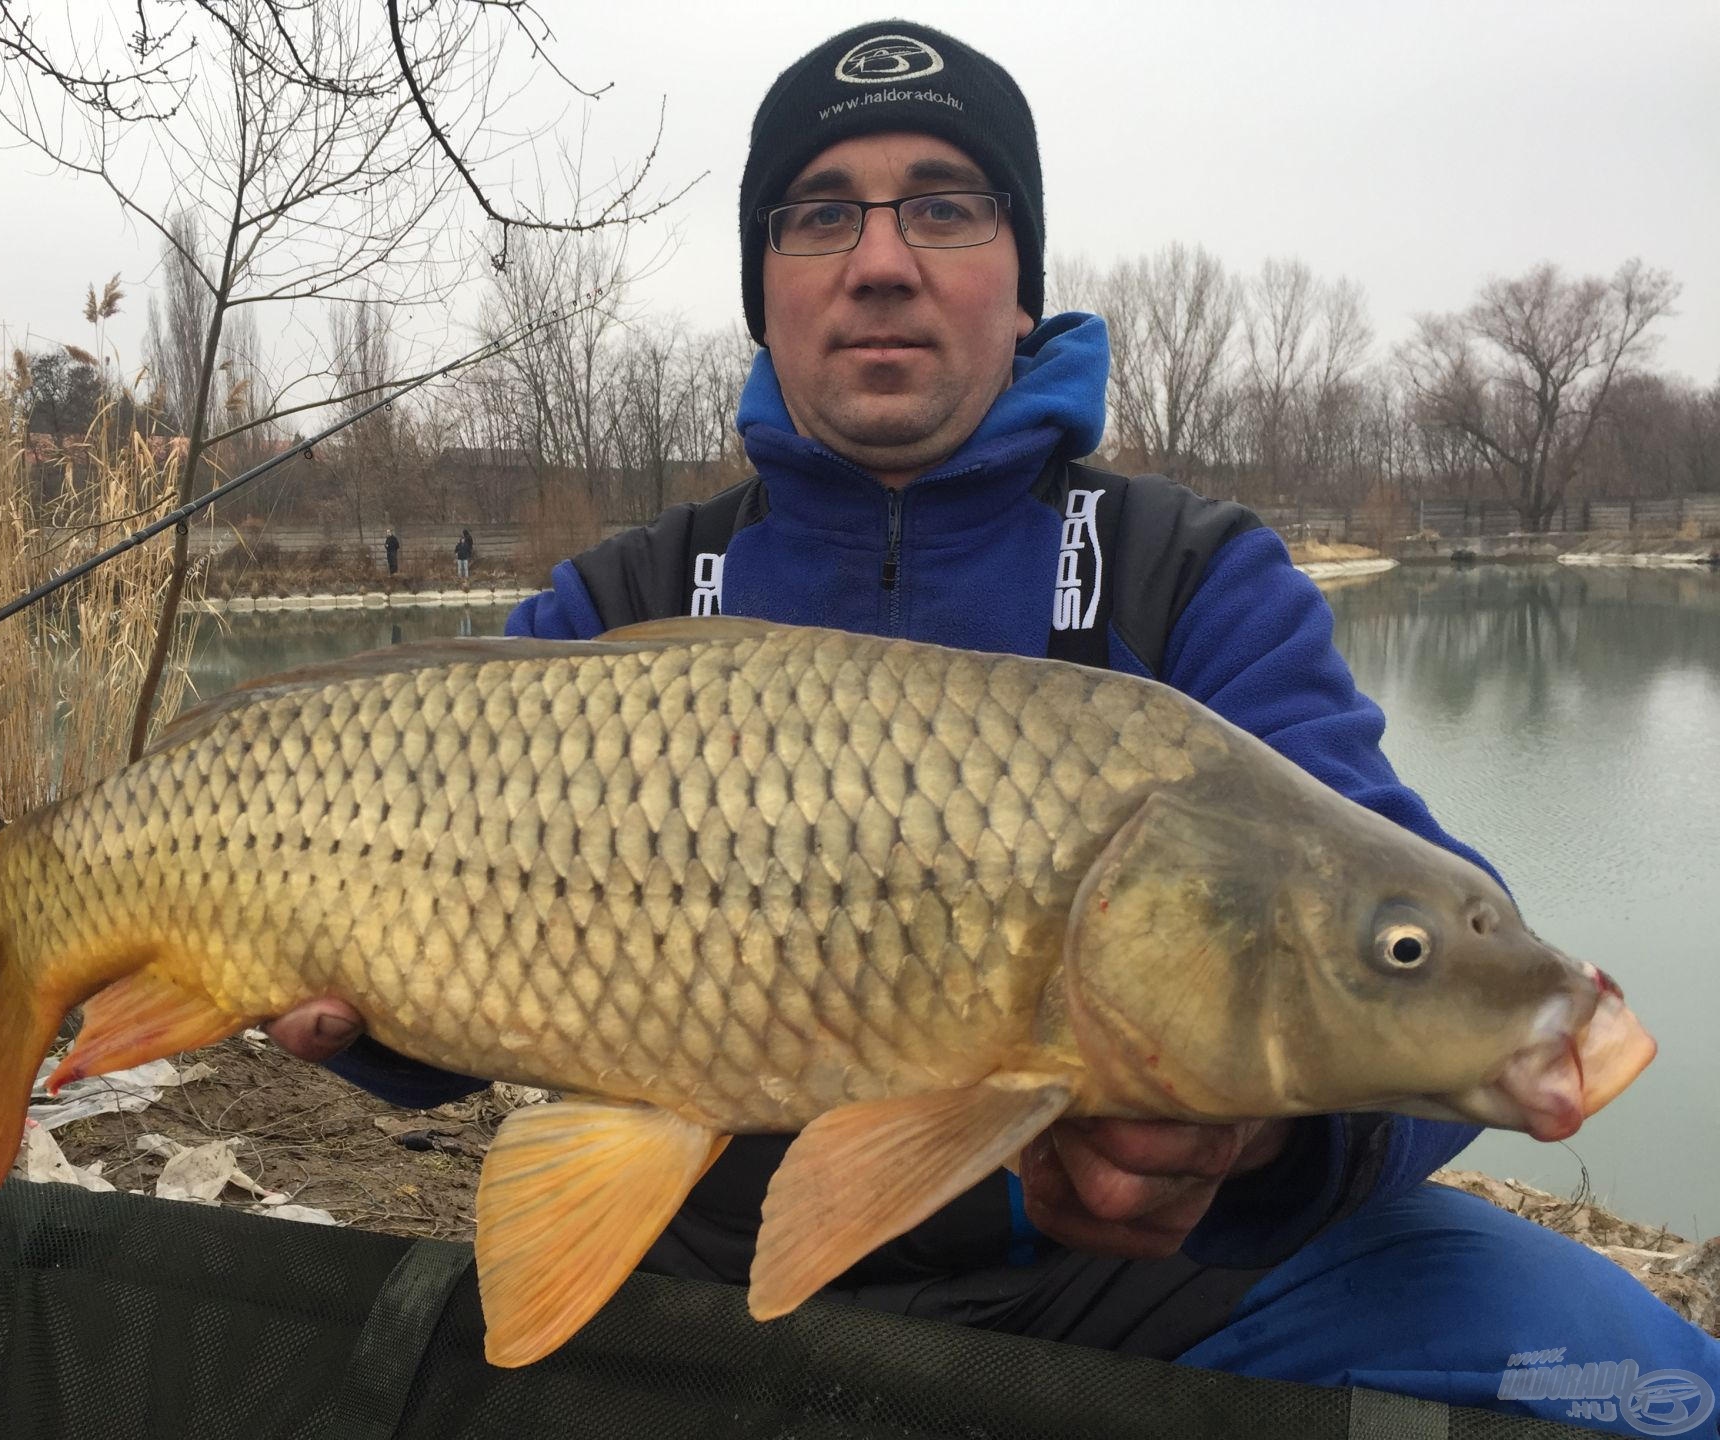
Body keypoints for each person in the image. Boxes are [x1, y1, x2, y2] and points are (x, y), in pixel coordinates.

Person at [266, 21, 1719, 1426]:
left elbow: (1387, 945)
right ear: (765, 288)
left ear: (1020, 282)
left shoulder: (1187, 575)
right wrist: (359, 1022)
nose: (884, 262)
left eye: (945, 209)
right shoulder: (630, 596)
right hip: (699, 1255)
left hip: (1119, 1285)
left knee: (1641, 1380)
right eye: (821, 216)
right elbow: (430, 1003)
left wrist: (1260, 1147)